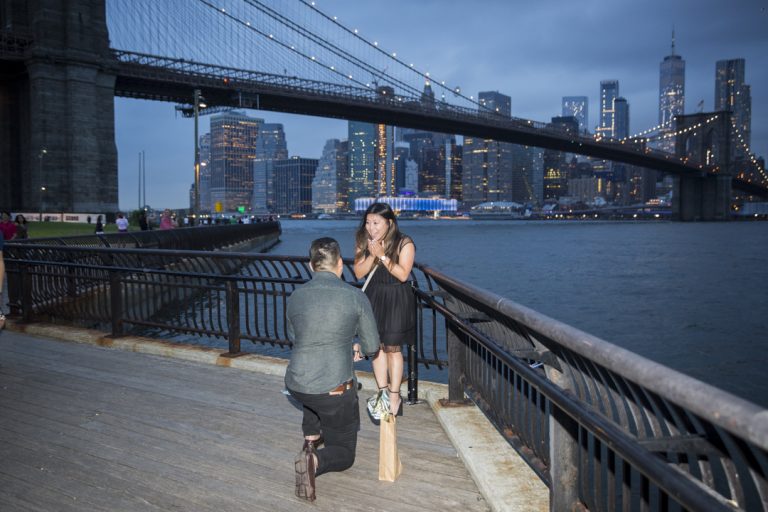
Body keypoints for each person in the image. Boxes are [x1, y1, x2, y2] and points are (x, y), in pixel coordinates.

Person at [285, 237, 380, 502]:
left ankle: (310, 436)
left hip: (296, 383)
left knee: (312, 390)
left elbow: (294, 336)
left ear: (310, 266)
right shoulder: (355, 296)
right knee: (345, 453)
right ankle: (314, 461)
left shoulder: (295, 296)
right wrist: (358, 347)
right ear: (340, 264)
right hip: (333, 390)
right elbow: (372, 346)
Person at [353, 202, 416, 418]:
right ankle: (382, 392)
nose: (371, 227)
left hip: (397, 297)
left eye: (376, 223)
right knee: (376, 347)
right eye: (368, 222)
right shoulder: (363, 240)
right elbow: (358, 273)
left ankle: (395, 393)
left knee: (393, 349)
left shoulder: (404, 243)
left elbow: (403, 274)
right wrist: (371, 253)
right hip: (373, 296)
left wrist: (382, 255)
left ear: (389, 223)